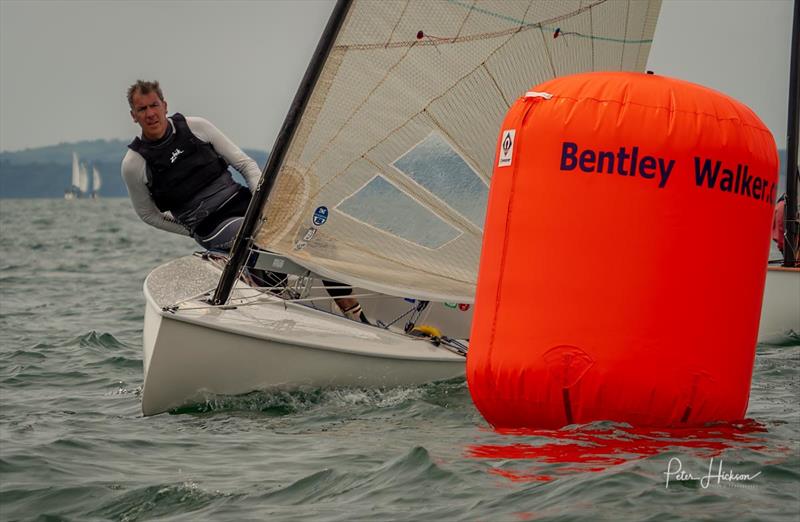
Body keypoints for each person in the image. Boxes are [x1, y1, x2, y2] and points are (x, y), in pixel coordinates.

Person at [122, 80, 368, 322]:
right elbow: (149, 215)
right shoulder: (135, 164)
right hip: (210, 227)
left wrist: (262, 203)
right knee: (255, 236)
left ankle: (355, 315)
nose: (150, 113)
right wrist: (188, 231)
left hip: (245, 203)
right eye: (142, 109)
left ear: (164, 105)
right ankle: (277, 297)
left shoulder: (196, 127)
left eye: (154, 105)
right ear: (134, 116)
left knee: (316, 239)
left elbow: (246, 165)